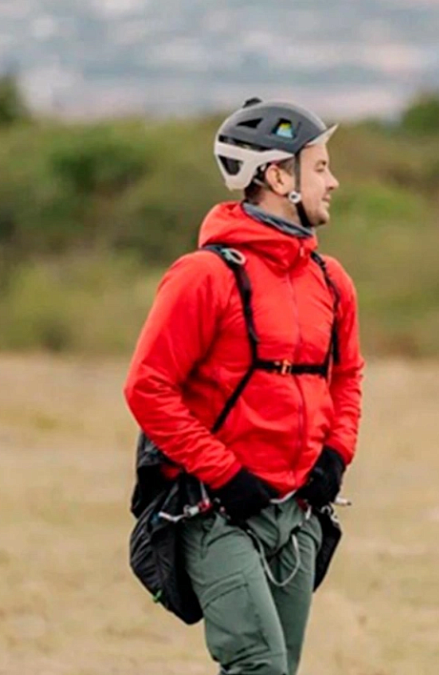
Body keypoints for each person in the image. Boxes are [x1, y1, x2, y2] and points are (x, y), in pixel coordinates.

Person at [123, 98, 365, 675]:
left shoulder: (332, 282)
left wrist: (336, 455)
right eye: (321, 167)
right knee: (259, 666)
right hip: (216, 513)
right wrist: (226, 475)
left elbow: (348, 377)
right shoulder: (204, 276)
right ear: (278, 176)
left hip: (301, 515)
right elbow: (147, 388)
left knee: (283, 665)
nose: (333, 181)